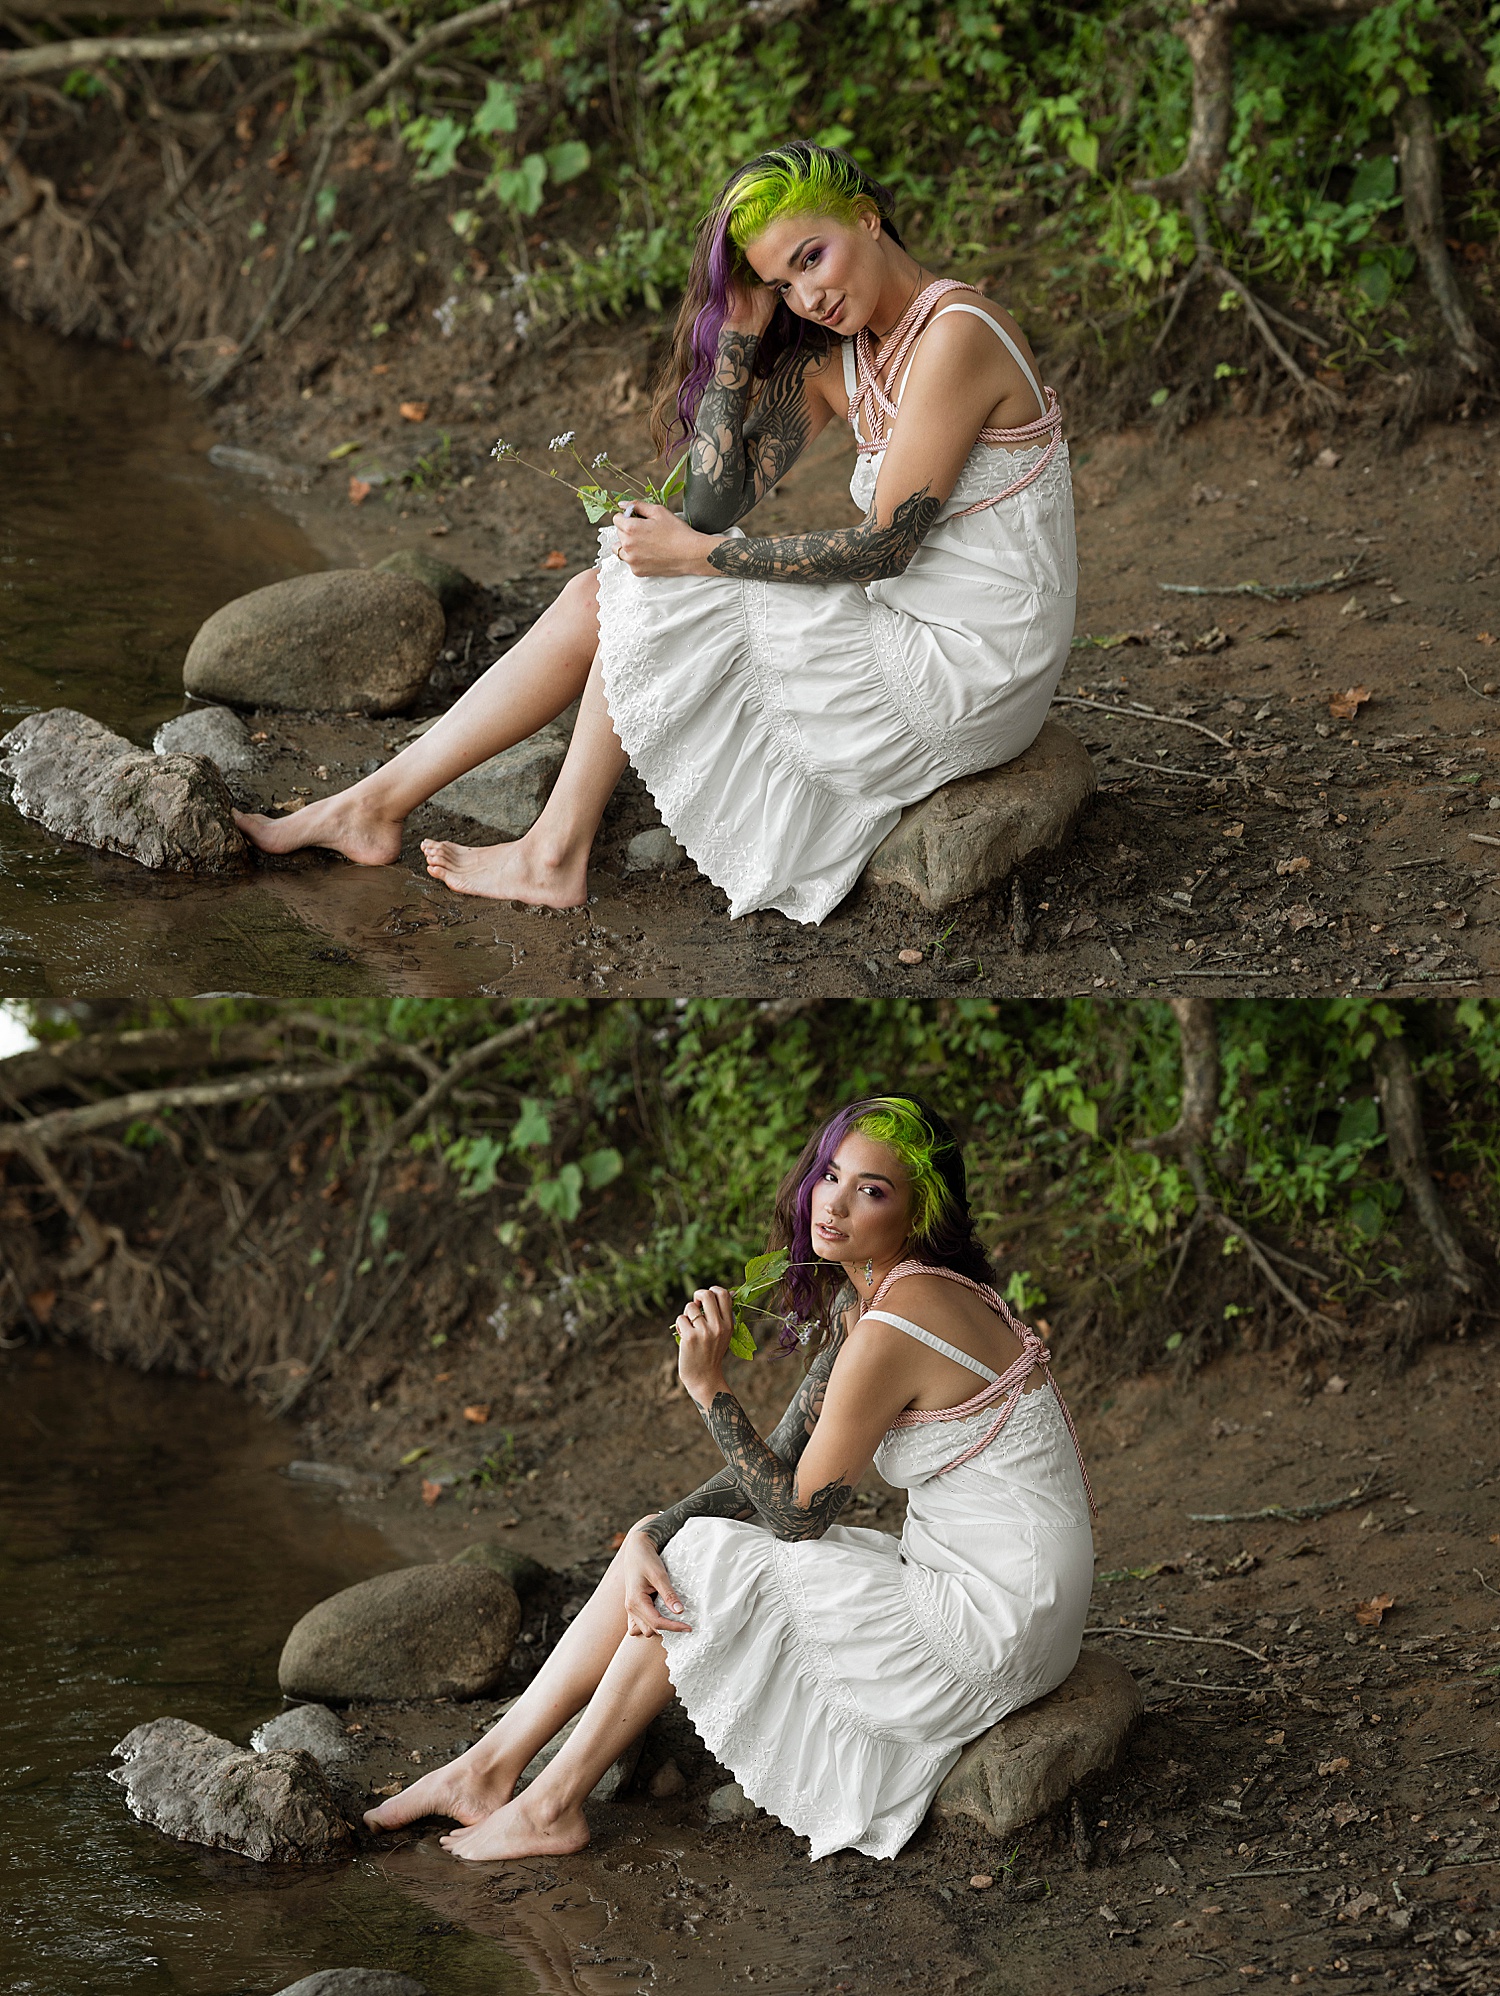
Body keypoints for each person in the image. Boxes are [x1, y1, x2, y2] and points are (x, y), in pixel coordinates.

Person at [235, 143, 1076, 926]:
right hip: (911, 630)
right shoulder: (842, 357)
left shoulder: (955, 332)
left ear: (865, 217)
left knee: (655, 578)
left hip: (975, 664)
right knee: (610, 584)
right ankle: (388, 809)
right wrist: (739, 342)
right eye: (782, 284)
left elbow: (881, 547)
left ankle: (535, 848)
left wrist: (701, 559)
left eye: (811, 257)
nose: (808, 296)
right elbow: (712, 504)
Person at [363, 1095, 1095, 1864]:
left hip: (996, 1624)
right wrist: (650, 1530)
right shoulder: (879, 1296)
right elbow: (779, 1452)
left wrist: (709, 1386)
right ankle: (486, 1772)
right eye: (830, 1175)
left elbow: (794, 1516)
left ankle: (551, 1807)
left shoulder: (897, 1325)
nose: (835, 1204)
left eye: (872, 1191)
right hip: (992, 1588)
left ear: (918, 1214)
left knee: (702, 1565)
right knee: (661, 1547)